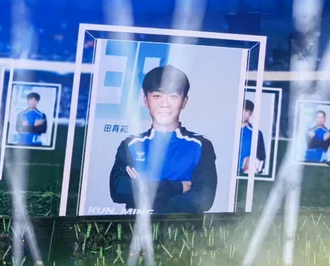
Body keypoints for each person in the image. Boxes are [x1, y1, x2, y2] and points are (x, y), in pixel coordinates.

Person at [109, 65, 217, 214]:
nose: (165, 104)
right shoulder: (131, 145)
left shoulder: (200, 145)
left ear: (184, 101)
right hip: (135, 226)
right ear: (146, 100)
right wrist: (178, 187)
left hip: (182, 228)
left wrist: (145, 192)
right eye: (157, 96)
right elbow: (119, 190)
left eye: (173, 96)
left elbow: (203, 199)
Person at [239, 98, 267, 174]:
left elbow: (261, 157)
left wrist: (255, 166)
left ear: (251, 113)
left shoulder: (256, 133)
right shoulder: (229, 130)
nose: (243, 113)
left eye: (247, 111)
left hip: (245, 174)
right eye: (242, 110)